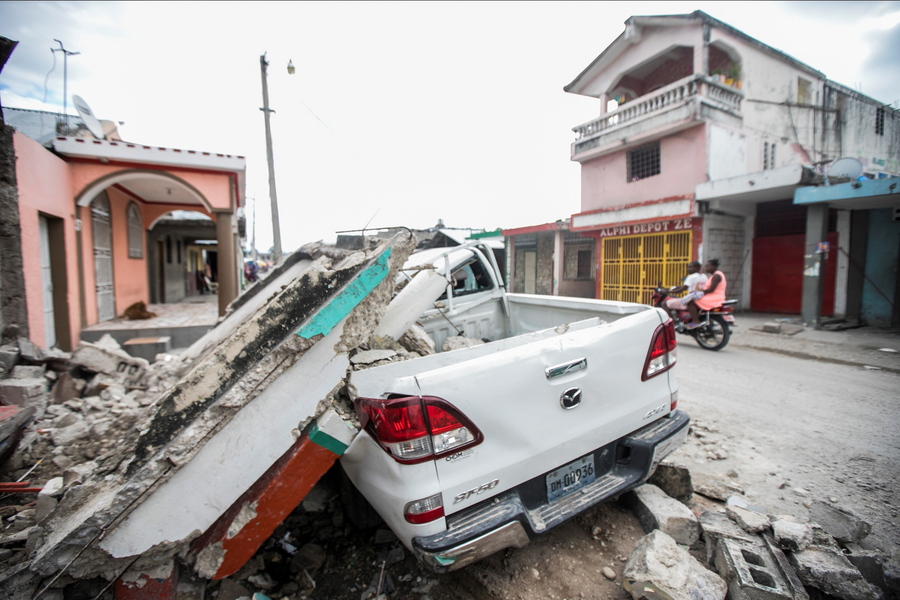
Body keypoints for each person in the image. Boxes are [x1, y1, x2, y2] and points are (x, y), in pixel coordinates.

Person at [686, 259, 727, 329]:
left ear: (714, 266)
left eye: (708, 266)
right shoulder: (714, 275)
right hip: (713, 296)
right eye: (705, 267)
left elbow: (711, 289)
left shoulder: (716, 276)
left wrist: (700, 291)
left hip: (714, 298)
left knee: (690, 302)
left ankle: (696, 321)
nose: (706, 268)